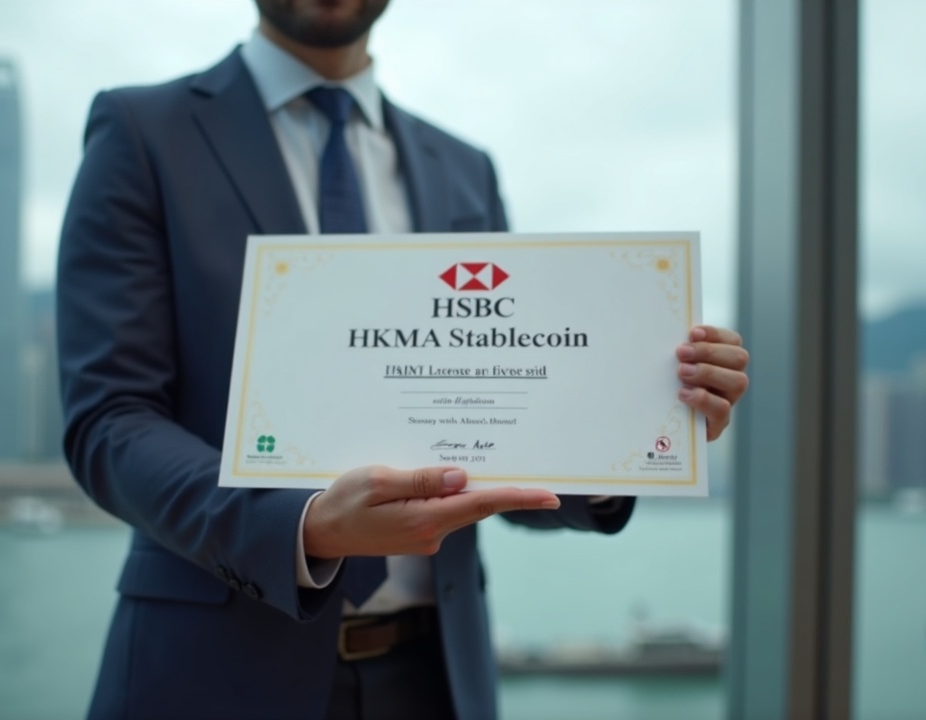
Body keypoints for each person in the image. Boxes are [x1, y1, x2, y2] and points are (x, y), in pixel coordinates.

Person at [56, 1, 751, 718]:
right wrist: (303, 527)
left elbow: (509, 425)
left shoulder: (464, 169)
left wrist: (639, 427)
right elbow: (110, 421)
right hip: (210, 675)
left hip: (437, 677)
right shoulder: (143, 133)